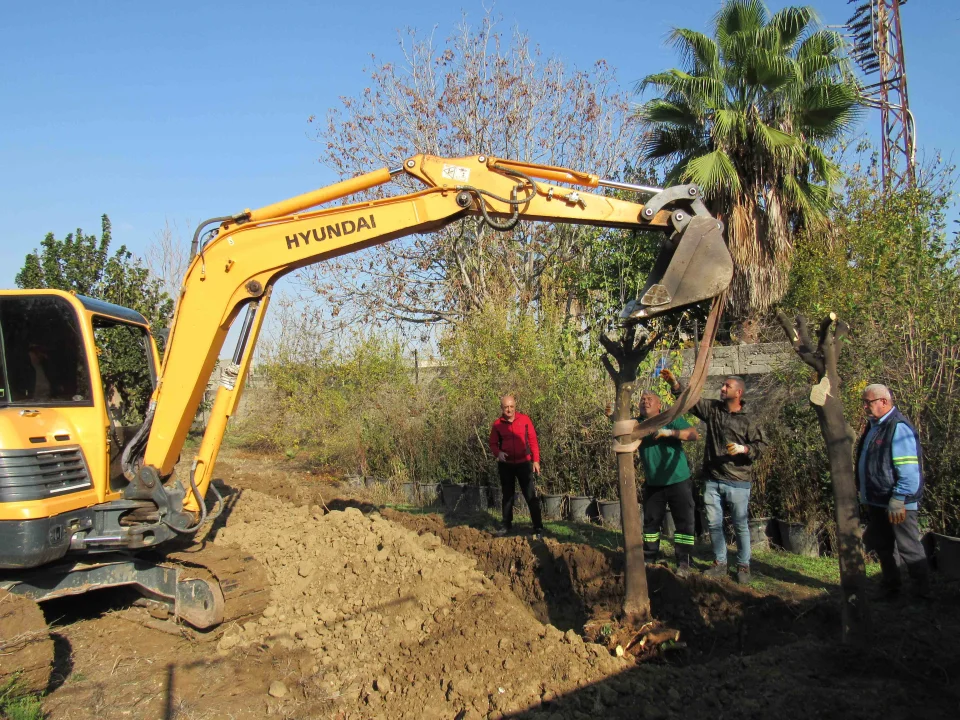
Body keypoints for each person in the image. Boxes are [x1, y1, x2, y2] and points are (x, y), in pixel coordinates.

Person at [660, 369, 766, 584]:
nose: (722, 388)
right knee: (714, 525)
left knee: (740, 525)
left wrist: (743, 449)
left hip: (738, 481)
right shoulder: (713, 410)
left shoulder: (748, 420)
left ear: (739, 393)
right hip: (712, 479)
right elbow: (690, 401)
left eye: (727, 386)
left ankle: (743, 566)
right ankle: (720, 563)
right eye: (723, 385)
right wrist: (675, 384)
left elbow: (761, 446)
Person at [856, 384, 930, 599]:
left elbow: (908, 468)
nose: (865, 407)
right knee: (884, 547)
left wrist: (899, 497)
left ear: (884, 402)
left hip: (898, 503)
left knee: (909, 547)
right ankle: (891, 588)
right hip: (879, 501)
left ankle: (922, 595)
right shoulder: (875, 426)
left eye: (868, 402)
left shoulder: (897, 427)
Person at [636, 390, 700, 577]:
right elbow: (620, 429)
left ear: (659, 406)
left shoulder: (669, 418)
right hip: (653, 483)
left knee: (684, 523)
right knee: (651, 523)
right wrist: (611, 415)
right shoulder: (637, 424)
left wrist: (670, 432)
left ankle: (684, 562)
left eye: (650, 399)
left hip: (678, 480)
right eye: (642, 399)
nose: (645, 402)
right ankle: (649, 558)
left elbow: (694, 435)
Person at [489, 394, 544, 539]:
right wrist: (497, 453)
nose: (509, 409)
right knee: (507, 496)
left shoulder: (525, 420)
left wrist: (536, 461)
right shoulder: (497, 425)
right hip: (506, 465)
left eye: (511, 406)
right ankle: (506, 525)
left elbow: (533, 441)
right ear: (502, 408)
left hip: (523, 464)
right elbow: (493, 443)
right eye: (506, 407)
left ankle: (538, 527)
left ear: (515, 406)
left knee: (530, 496)